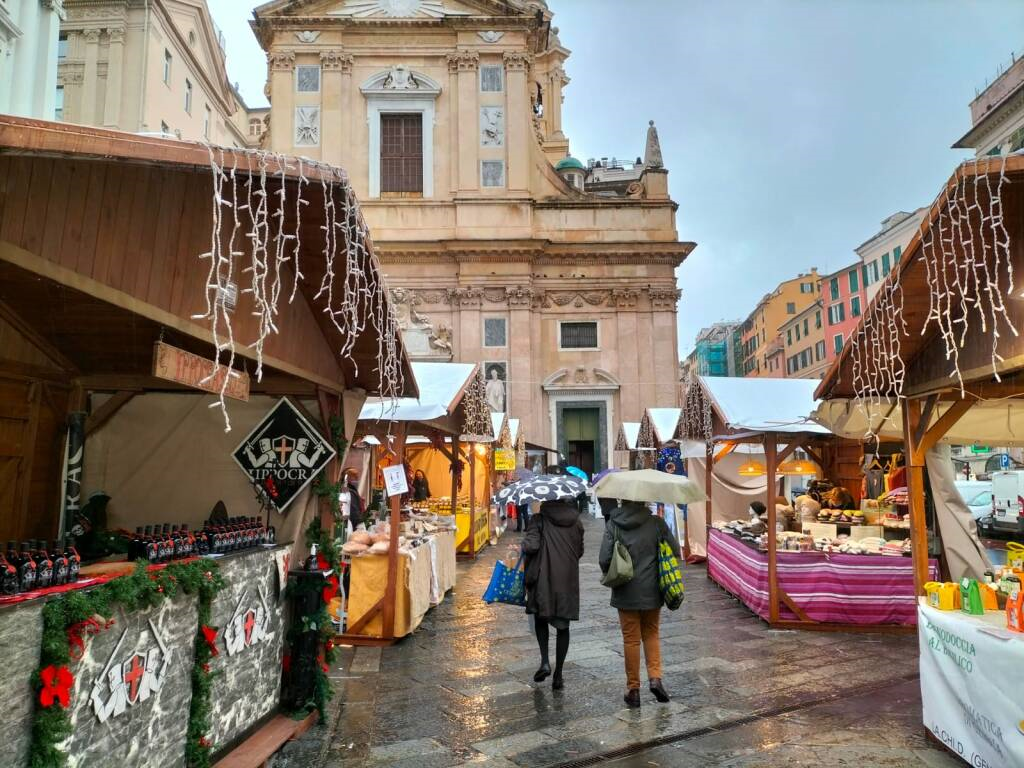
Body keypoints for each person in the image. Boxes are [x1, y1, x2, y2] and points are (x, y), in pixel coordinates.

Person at [599, 500, 681, 709]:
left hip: (625, 589)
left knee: (631, 639)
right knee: (651, 633)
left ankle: (633, 689)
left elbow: (604, 559)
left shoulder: (613, 524)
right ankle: (655, 678)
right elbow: (674, 550)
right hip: (652, 589)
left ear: (622, 500)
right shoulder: (656, 523)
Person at [521, 497, 584, 691]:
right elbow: (580, 551)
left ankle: (545, 661)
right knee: (563, 626)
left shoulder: (539, 519)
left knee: (542, 618)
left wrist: (524, 543)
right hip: (567, 578)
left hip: (544, 578)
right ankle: (559, 674)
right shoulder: (577, 521)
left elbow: (531, 546)